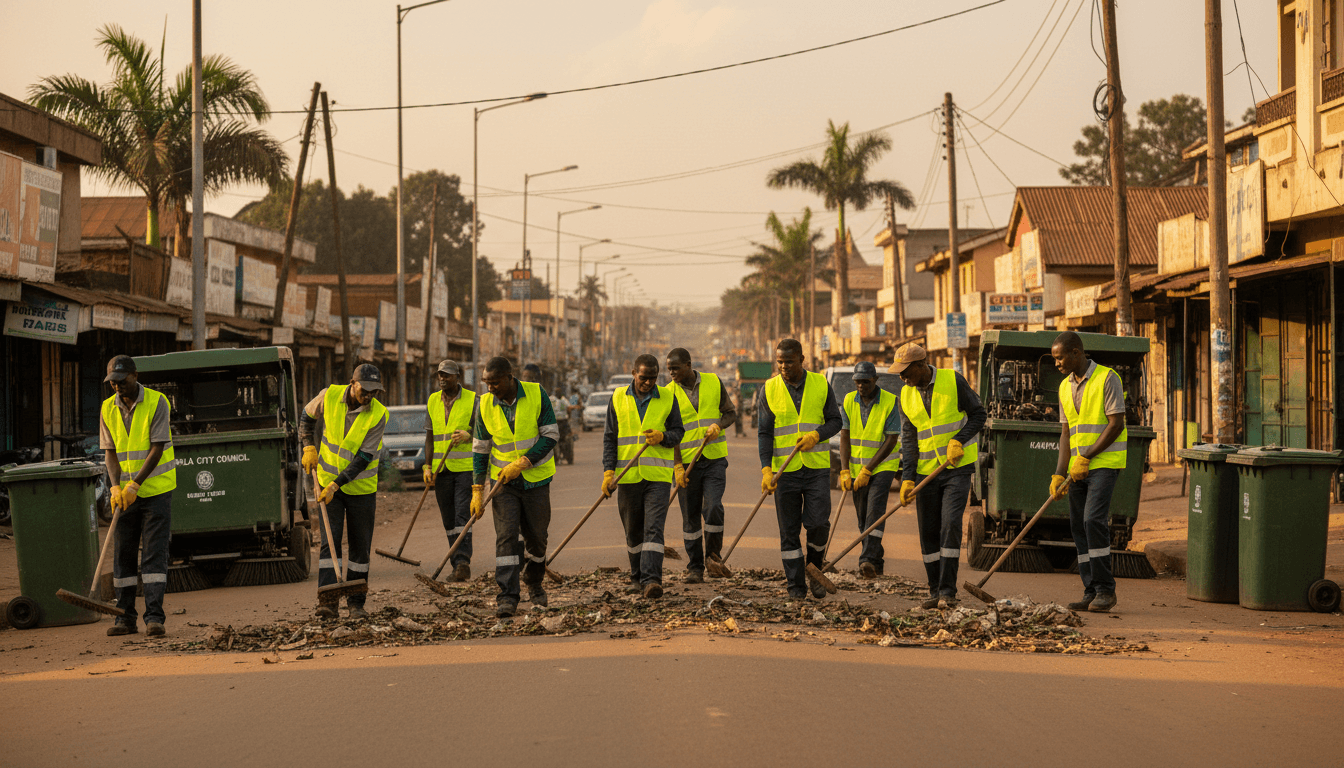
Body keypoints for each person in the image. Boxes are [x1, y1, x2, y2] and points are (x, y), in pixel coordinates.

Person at [891, 343, 984, 610]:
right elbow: (908, 439)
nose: (902, 378)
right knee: (928, 532)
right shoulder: (905, 395)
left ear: (922, 365)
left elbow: (978, 415)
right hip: (925, 473)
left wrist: (959, 440)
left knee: (950, 525)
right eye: (899, 373)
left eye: (906, 372)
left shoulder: (952, 380)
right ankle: (934, 590)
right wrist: (907, 478)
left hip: (956, 468)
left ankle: (948, 591)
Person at [299, 363, 389, 620]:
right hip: (326, 483)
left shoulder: (379, 415)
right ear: (353, 383)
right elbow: (306, 417)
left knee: (360, 547)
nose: (369, 395)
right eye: (365, 389)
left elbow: (363, 458)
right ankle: (327, 602)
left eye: (375, 391)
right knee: (331, 542)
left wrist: (336, 484)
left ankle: (356, 604)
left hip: (360, 488)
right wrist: (308, 446)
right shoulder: (329, 396)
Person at [99, 355, 177, 637]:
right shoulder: (108, 408)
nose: (117, 387)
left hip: (156, 491)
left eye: (122, 381)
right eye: (112, 383)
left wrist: (135, 485)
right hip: (124, 496)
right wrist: (115, 486)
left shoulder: (157, 402)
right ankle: (124, 618)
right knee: (124, 555)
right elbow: (109, 451)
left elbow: (157, 447)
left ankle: (155, 617)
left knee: (154, 556)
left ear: (134, 375)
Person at [475, 356, 558, 618]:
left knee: (537, 538)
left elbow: (551, 435)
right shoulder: (485, 403)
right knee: (507, 537)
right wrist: (477, 488)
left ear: (510, 378)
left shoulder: (536, 393)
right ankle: (507, 596)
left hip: (536, 479)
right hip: (503, 483)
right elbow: (480, 449)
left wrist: (524, 462)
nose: (490, 389)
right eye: (486, 383)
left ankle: (534, 581)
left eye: (495, 383)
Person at [758, 339, 841, 599]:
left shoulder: (819, 384)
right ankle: (795, 586)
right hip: (785, 472)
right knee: (789, 531)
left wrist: (817, 435)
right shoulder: (768, 389)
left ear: (802, 359)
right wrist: (766, 470)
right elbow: (764, 433)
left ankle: (814, 571)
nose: (783, 366)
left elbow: (836, 421)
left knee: (818, 524)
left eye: (789, 361)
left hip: (816, 469)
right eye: (779, 361)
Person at [1051, 331, 1127, 614]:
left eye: (1060, 358)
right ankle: (1090, 590)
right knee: (1078, 526)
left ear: (1076, 353)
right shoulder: (1063, 387)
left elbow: (1116, 424)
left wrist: (1087, 456)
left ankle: (1106, 590)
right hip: (1077, 467)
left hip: (1104, 462)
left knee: (1093, 520)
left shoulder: (1108, 378)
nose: (1057, 363)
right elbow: (1066, 433)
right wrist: (1059, 474)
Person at [601, 353, 685, 598]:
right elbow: (610, 438)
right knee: (633, 531)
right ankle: (636, 577)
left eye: (653, 378)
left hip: (657, 476)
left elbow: (678, 432)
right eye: (643, 378)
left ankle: (652, 580)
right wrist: (608, 472)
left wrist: (663, 437)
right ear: (633, 374)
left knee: (654, 529)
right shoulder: (617, 398)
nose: (648, 383)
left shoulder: (668, 398)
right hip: (626, 478)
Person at [666, 348, 736, 582]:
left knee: (713, 507)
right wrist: (677, 466)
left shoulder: (714, 382)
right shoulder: (668, 393)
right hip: (686, 464)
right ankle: (695, 567)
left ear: (688, 365)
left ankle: (713, 558)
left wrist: (719, 425)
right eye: (669, 369)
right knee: (690, 517)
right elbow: (672, 432)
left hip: (714, 459)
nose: (671, 373)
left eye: (675, 368)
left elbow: (730, 413)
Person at [838, 361, 901, 579]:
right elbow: (844, 435)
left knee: (875, 512)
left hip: (883, 466)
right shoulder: (848, 400)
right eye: (858, 381)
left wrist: (869, 469)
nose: (861, 385)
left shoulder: (890, 402)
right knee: (863, 517)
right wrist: (844, 470)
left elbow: (892, 439)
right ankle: (876, 560)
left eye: (866, 381)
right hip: (857, 468)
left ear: (875, 380)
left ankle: (865, 559)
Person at [423, 360, 477, 582]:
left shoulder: (474, 401)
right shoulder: (433, 400)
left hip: (465, 469)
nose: (443, 379)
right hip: (441, 469)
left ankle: (463, 561)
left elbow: (487, 432)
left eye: (447, 375)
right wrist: (426, 466)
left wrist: (469, 435)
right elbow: (429, 437)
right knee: (448, 519)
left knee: (462, 515)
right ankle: (456, 562)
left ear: (458, 377)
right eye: (440, 375)